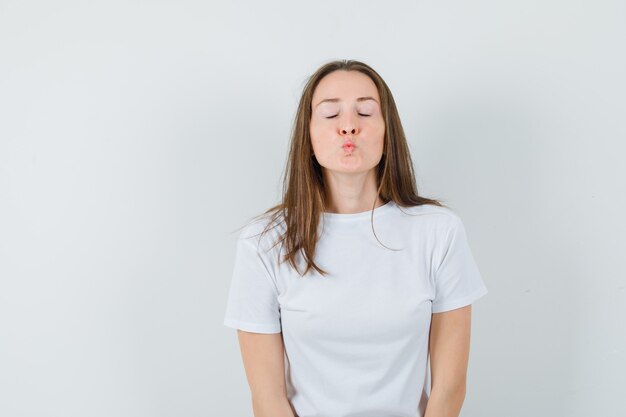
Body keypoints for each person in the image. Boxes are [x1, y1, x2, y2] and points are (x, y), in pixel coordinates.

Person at [223, 59, 488, 417]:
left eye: (365, 112)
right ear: (309, 138)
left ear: (386, 132)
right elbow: (268, 398)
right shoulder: (264, 243)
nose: (348, 127)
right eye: (331, 115)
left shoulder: (438, 231)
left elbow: (450, 387)